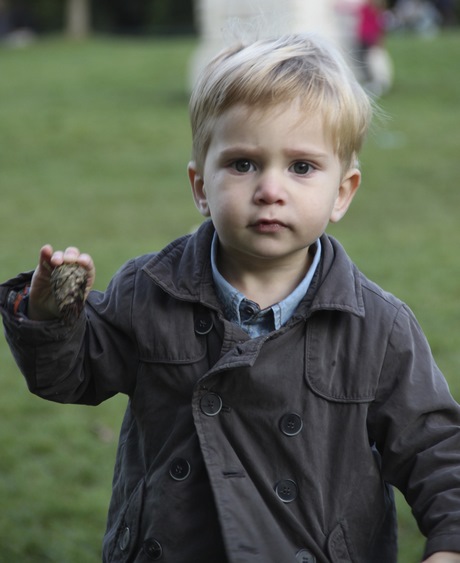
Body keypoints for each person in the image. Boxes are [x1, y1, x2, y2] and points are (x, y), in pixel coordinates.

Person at [1, 33, 460, 563]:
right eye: (243, 164)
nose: (270, 188)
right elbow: (67, 375)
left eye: (301, 167)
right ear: (200, 186)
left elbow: (437, 452)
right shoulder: (150, 290)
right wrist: (50, 315)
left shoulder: (377, 327)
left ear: (343, 191)